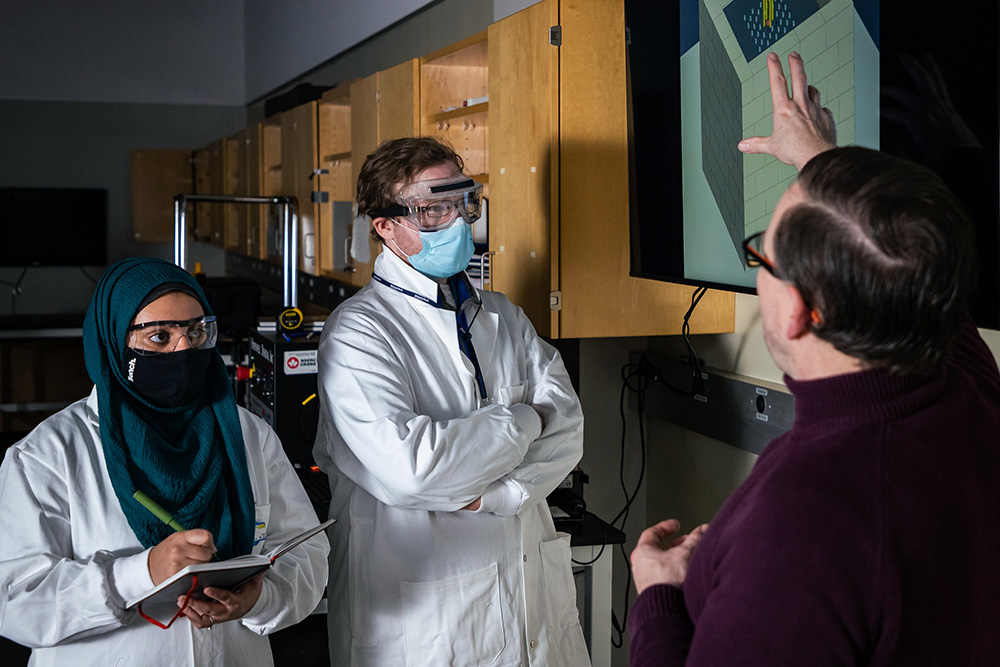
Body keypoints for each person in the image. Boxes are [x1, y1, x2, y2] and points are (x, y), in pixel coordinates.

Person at [627, 52, 1000, 665]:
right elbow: (902, 250)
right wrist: (818, 161)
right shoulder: (961, 384)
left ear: (798, 309)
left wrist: (660, 597)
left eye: (761, 256)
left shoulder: (804, 528)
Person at [313, 136, 591, 666]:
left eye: (464, 203)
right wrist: (525, 419)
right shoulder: (358, 333)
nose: (460, 222)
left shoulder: (504, 316)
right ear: (386, 227)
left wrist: (500, 493)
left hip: (535, 609)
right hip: (426, 625)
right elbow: (416, 469)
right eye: (433, 209)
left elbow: (570, 431)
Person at [0, 257, 329, 666]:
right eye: (159, 337)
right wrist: (143, 573)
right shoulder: (48, 455)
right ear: (114, 342)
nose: (184, 349)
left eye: (196, 331)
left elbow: (307, 553)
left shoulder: (247, 435)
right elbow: (16, 602)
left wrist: (262, 597)